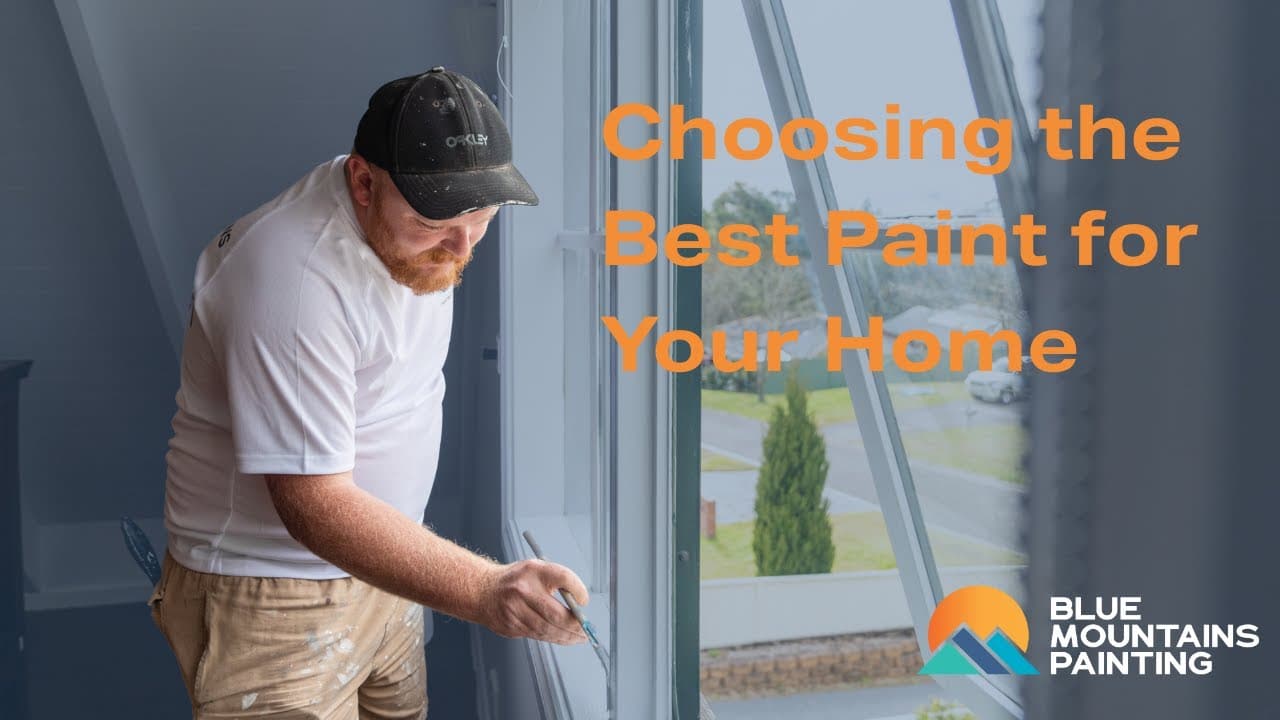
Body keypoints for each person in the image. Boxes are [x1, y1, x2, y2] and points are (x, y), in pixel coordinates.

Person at [147, 67, 588, 719]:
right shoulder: (291, 280)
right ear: (363, 181)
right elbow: (310, 501)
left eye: (483, 219)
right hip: (271, 600)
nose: (461, 248)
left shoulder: (416, 218)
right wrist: (485, 586)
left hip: (382, 567)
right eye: (436, 221)